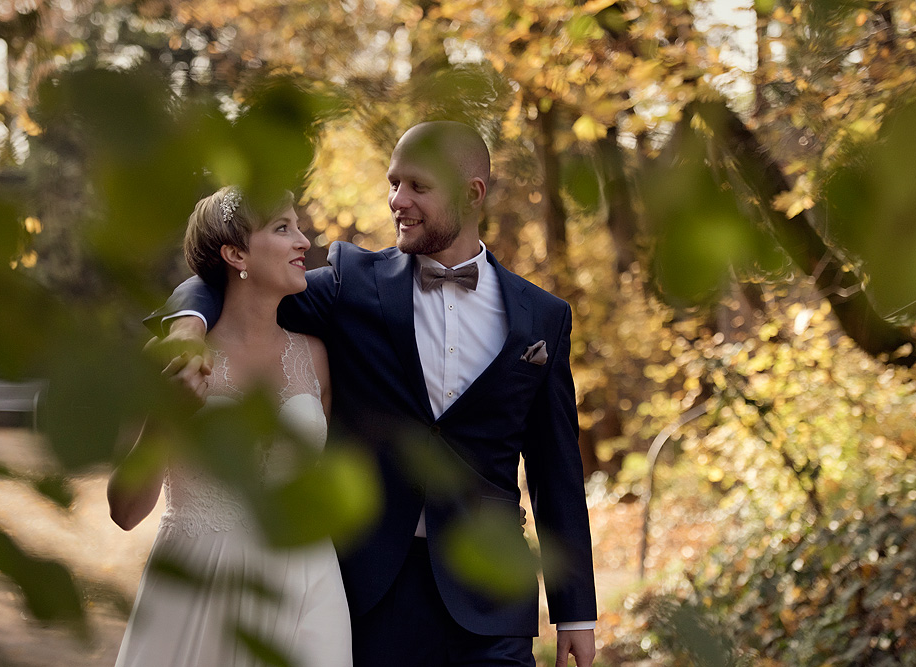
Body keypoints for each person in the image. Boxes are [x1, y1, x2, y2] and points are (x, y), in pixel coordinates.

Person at [148, 121, 597, 667]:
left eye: (417, 187)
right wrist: (187, 324)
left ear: (471, 193)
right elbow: (230, 275)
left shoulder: (543, 318)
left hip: (491, 602)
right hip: (369, 588)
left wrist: (576, 612)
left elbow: (556, 470)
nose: (396, 201)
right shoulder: (349, 284)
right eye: (392, 183)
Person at [109, 187, 352, 667]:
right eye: (283, 228)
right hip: (198, 584)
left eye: (298, 226)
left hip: (308, 585)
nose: (304, 241)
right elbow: (124, 511)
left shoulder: (316, 357)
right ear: (236, 253)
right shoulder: (171, 360)